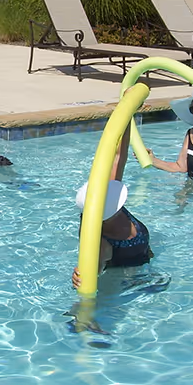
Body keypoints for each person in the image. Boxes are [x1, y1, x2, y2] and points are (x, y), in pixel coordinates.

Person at [71, 121, 153, 289]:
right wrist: (79, 278)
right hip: (129, 284)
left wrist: (128, 114)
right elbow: (93, 272)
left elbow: (118, 156)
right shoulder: (101, 243)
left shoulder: (107, 202)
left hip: (148, 270)